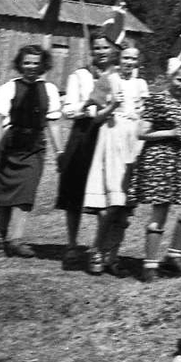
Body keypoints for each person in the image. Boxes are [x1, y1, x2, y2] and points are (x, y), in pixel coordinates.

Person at [129, 58, 181, 283]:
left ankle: (174, 255)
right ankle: (149, 266)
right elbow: (141, 133)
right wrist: (170, 133)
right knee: (160, 209)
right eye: (179, 80)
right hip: (160, 160)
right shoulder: (156, 100)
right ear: (170, 77)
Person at [82, 43, 148, 277]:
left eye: (134, 58)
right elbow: (93, 116)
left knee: (125, 209)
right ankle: (96, 251)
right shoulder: (108, 80)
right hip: (111, 141)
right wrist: (111, 106)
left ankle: (113, 256)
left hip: (133, 143)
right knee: (109, 206)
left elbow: (145, 116)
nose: (129, 62)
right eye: (126, 58)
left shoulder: (141, 85)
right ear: (119, 59)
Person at [0, 45, 62, 258]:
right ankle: (1, 236)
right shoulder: (9, 88)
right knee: (4, 194)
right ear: (20, 64)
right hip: (11, 144)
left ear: (43, 65)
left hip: (35, 147)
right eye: (27, 62)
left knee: (26, 192)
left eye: (35, 63)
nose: (31, 67)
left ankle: (16, 239)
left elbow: (54, 124)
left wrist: (60, 151)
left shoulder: (49, 89)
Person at [55, 33, 114, 270]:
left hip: (108, 135)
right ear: (91, 50)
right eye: (97, 47)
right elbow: (68, 110)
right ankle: (71, 245)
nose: (101, 51)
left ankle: (97, 248)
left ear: (112, 50)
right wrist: (87, 108)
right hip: (83, 134)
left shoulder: (117, 75)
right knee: (75, 191)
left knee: (105, 193)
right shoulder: (79, 76)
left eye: (105, 47)